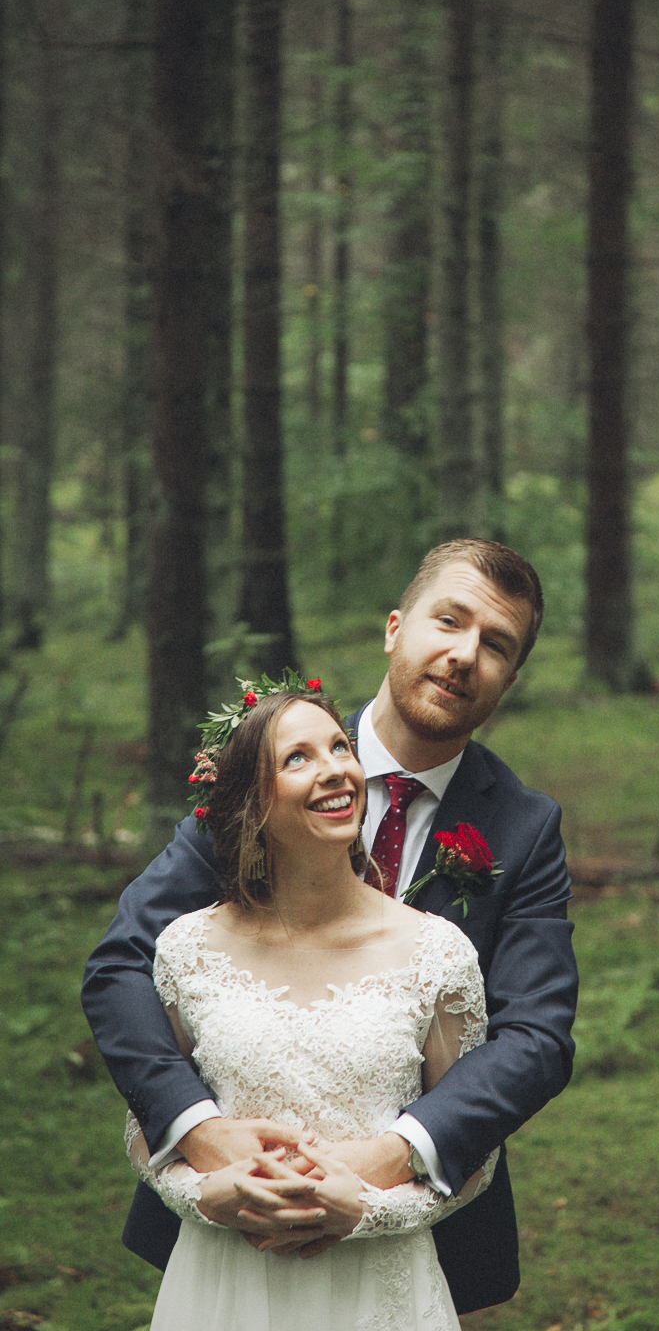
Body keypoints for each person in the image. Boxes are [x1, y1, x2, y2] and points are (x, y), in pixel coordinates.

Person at [83, 539, 578, 1315]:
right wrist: (200, 1132)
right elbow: (121, 965)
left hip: (411, 1240)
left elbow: (537, 1037)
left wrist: (389, 1159)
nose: (462, 655)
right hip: (229, 1225)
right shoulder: (263, 765)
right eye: (447, 621)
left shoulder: (522, 827)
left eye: (495, 645)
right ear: (393, 628)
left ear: (509, 679)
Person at [129, 682, 497, 1329]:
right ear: (250, 803)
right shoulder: (188, 950)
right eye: (296, 758)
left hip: (376, 1287)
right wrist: (206, 1194)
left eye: (338, 748)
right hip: (224, 1282)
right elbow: (145, 1125)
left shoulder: (435, 954)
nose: (334, 769)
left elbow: (474, 1150)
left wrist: (366, 1210)